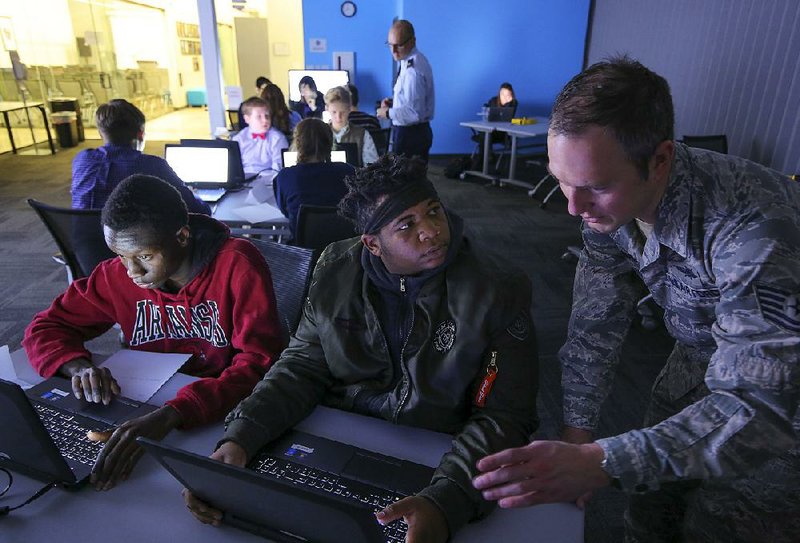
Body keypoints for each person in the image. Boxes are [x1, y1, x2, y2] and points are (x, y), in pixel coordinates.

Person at [473, 56, 800, 542]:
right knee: (649, 510)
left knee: (721, 525)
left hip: (781, 406)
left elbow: (759, 405)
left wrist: (601, 462)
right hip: (693, 364)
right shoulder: (606, 205)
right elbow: (595, 324)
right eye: (561, 180)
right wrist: (579, 437)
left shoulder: (755, 231)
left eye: (594, 187)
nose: (572, 207)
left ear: (660, 160)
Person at [183, 154, 539, 542]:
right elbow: (302, 367)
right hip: (339, 438)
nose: (433, 231)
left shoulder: (496, 288)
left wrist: (447, 499)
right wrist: (241, 436)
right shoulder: (334, 267)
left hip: (439, 451)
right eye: (407, 225)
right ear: (372, 244)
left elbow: (504, 415)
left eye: (434, 211)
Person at [23, 175, 284, 491]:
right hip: (143, 405)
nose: (132, 272)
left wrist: (174, 414)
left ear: (183, 236)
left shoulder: (237, 264)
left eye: (144, 257)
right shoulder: (117, 275)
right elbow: (45, 328)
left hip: (221, 412)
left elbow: (258, 365)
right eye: (120, 256)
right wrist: (79, 366)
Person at [71, 99, 210, 215]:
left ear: (101, 134)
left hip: (82, 245)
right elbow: (198, 210)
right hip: (129, 246)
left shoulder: (82, 159)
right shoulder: (151, 165)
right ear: (140, 134)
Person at [273, 117, 355, 235]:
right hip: (343, 248)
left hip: (303, 251)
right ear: (330, 142)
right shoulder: (348, 171)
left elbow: (286, 212)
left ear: (297, 143)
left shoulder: (285, 176)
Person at [377, 20, 435, 162]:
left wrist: (387, 112)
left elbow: (414, 113)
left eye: (399, 45)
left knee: (405, 180)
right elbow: (411, 98)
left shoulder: (412, 71)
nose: (394, 51)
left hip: (411, 134)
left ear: (412, 41)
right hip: (414, 132)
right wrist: (394, 102)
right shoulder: (409, 59)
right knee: (410, 179)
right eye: (390, 45)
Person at [324, 85, 379, 166]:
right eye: (334, 112)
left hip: (355, 177)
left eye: (342, 112)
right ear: (327, 109)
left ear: (350, 109)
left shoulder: (362, 135)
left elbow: (372, 167)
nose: (338, 118)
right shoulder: (319, 134)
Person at [232, 96, 288, 174]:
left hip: (269, 180)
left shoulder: (277, 138)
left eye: (267, 116)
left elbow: (278, 167)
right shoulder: (239, 139)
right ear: (247, 119)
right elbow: (234, 167)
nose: (265, 120)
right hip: (244, 180)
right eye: (259, 117)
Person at [471, 82, 519, 170]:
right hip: (490, 130)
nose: (504, 96)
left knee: (483, 136)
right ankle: (488, 155)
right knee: (484, 134)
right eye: (502, 93)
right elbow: (486, 111)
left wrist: (508, 102)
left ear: (511, 94)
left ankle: (481, 161)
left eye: (507, 94)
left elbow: (508, 118)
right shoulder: (493, 100)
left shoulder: (513, 103)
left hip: (502, 132)